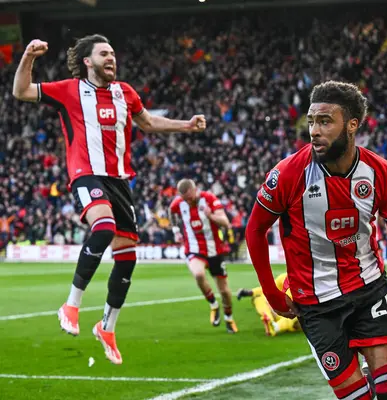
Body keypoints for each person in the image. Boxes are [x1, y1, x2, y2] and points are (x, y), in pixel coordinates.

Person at [12, 35, 206, 364]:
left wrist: (185, 126)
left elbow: (148, 122)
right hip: (87, 174)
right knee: (102, 228)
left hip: (119, 181)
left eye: (113, 52)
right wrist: (29, 56)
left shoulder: (125, 92)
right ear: (88, 61)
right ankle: (71, 304)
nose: (111, 57)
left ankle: (107, 327)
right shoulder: (69, 89)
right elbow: (21, 91)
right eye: (104, 53)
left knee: (127, 258)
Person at [245, 81, 387, 400]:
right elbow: (254, 230)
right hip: (315, 305)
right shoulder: (288, 174)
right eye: (312, 120)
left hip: (368, 289)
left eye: (325, 121)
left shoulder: (382, 174)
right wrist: (273, 294)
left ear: (352, 125)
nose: (314, 130)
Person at [169, 179, 238, 334]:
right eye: (185, 199)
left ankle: (229, 318)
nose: (188, 201)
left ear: (195, 190)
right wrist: (175, 230)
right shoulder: (179, 203)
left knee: (225, 291)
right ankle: (213, 304)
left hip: (215, 251)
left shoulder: (210, 198)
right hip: (194, 248)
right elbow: (171, 212)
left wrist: (210, 215)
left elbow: (226, 223)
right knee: (198, 274)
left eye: (190, 197)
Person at [237, 273, 301, 336]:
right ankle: (271, 322)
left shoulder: (286, 278)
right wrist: (249, 292)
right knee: (257, 297)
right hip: (280, 310)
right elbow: (268, 289)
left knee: (297, 313)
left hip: (291, 312)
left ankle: (273, 324)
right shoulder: (284, 278)